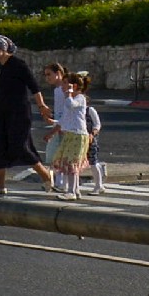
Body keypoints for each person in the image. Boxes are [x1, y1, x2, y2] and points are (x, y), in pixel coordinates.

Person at [0, 34, 45, 194]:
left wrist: (41, 105)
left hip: (18, 111)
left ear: (3, 48)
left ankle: (46, 175)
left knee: (20, 146)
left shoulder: (18, 64)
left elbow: (34, 86)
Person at [43, 63, 91, 198]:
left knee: (71, 164)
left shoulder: (80, 98)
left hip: (78, 135)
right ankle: (75, 190)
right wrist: (52, 131)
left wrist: (69, 94)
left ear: (73, 86)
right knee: (68, 163)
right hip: (70, 134)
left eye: (65, 84)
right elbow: (63, 118)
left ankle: (71, 191)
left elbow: (71, 105)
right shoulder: (68, 98)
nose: (62, 86)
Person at [81, 81, 107, 195]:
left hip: (90, 140)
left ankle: (98, 185)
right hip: (80, 139)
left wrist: (92, 134)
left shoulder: (90, 110)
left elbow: (97, 125)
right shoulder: (76, 111)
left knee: (93, 161)